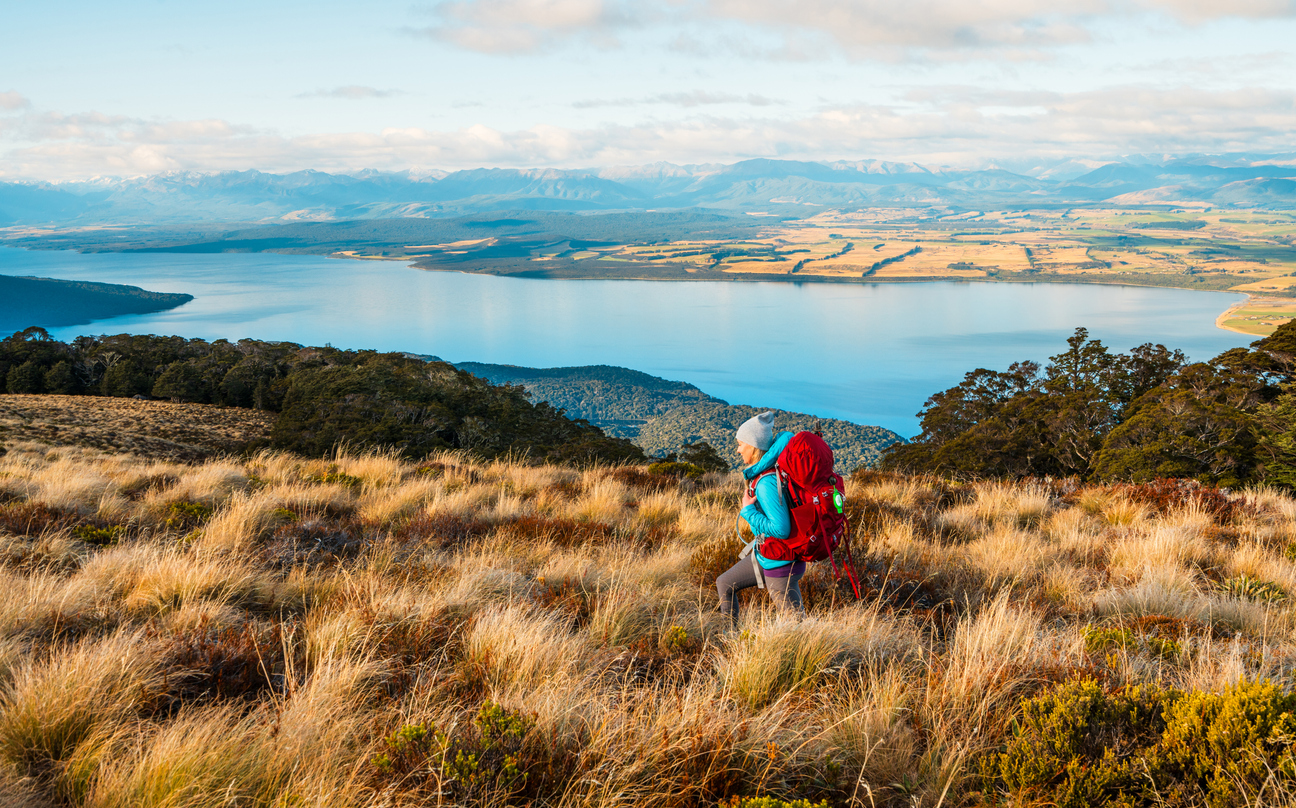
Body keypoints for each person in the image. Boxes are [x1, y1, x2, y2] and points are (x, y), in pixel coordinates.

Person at [715, 411, 806, 627]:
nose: (738, 449)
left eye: (740, 444)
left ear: (753, 445)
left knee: (796, 626)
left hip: (780, 563)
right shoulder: (763, 476)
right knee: (724, 583)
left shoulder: (766, 483)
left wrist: (748, 512)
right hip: (766, 555)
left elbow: (781, 528)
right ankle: (729, 640)